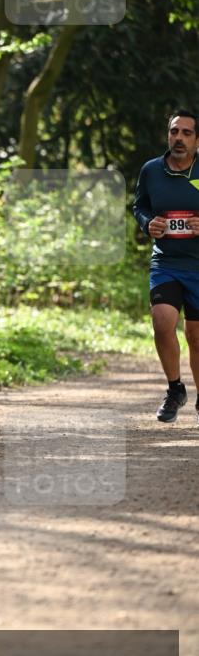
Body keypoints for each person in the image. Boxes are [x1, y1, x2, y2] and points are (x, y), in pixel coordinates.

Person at [133, 109, 199, 424]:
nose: (179, 138)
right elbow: (140, 205)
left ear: (197, 140)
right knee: (162, 321)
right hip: (167, 262)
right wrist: (148, 224)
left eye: (187, 133)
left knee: (197, 336)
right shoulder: (151, 171)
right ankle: (175, 389)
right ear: (168, 135)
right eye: (175, 131)